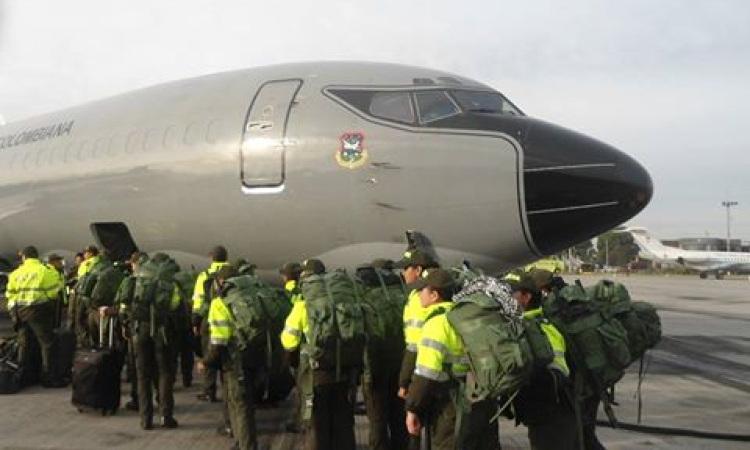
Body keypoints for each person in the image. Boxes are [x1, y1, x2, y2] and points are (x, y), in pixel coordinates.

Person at [280, 259, 357, 450]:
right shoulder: (344, 300)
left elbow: (288, 340)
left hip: (316, 375)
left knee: (317, 425)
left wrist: (293, 359)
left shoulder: (303, 305)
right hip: (344, 370)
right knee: (343, 423)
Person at [507, 272, 578, 450]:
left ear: (526, 297)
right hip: (544, 413)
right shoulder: (526, 325)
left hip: (553, 413)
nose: (507, 298)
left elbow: (559, 370)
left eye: (512, 293)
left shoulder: (542, 327)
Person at [404, 268, 467, 449]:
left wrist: (412, 408)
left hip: (448, 405)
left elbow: (426, 373)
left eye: (421, 290)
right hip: (474, 401)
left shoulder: (436, 324)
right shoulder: (461, 316)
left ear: (434, 295)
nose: (418, 294)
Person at [199, 265, 259, 450]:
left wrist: (205, 362)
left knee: (239, 405)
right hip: (254, 356)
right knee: (247, 404)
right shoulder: (253, 296)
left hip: (235, 360)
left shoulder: (220, 303)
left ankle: (246, 445)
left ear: (221, 281)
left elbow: (218, 342)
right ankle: (244, 441)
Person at [357, 259, 408, 450]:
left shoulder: (366, 295)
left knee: (378, 420)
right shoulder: (404, 294)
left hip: (375, 365)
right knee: (399, 417)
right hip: (401, 365)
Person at [127, 253, 180, 429]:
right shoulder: (172, 282)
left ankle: (145, 419)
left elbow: (128, 302)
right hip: (162, 332)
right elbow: (176, 307)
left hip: (141, 330)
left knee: (143, 376)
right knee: (165, 374)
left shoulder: (140, 277)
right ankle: (166, 416)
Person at [5, 246, 64, 386]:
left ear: (24, 257)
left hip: (20, 311)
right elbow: (54, 291)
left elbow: (10, 294)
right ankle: (48, 377)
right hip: (39, 310)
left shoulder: (16, 273)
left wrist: (14, 310)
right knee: (46, 343)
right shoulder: (45, 271)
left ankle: (23, 376)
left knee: (24, 344)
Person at [192, 245, 230, 403]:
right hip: (229, 320)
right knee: (226, 355)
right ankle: (227, 387)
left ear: (211, 258)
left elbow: (198, 300)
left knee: (209, 352)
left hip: (209, 320)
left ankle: (209, 391)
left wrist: (195, 321)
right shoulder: (233, 273)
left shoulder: (205, 276)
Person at [278, 261, 304, 433]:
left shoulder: (285, 294)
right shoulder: (304, 292)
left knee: (301, 388)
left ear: (286, 277)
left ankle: (299, 421)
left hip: (292, 344)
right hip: (307, 343)